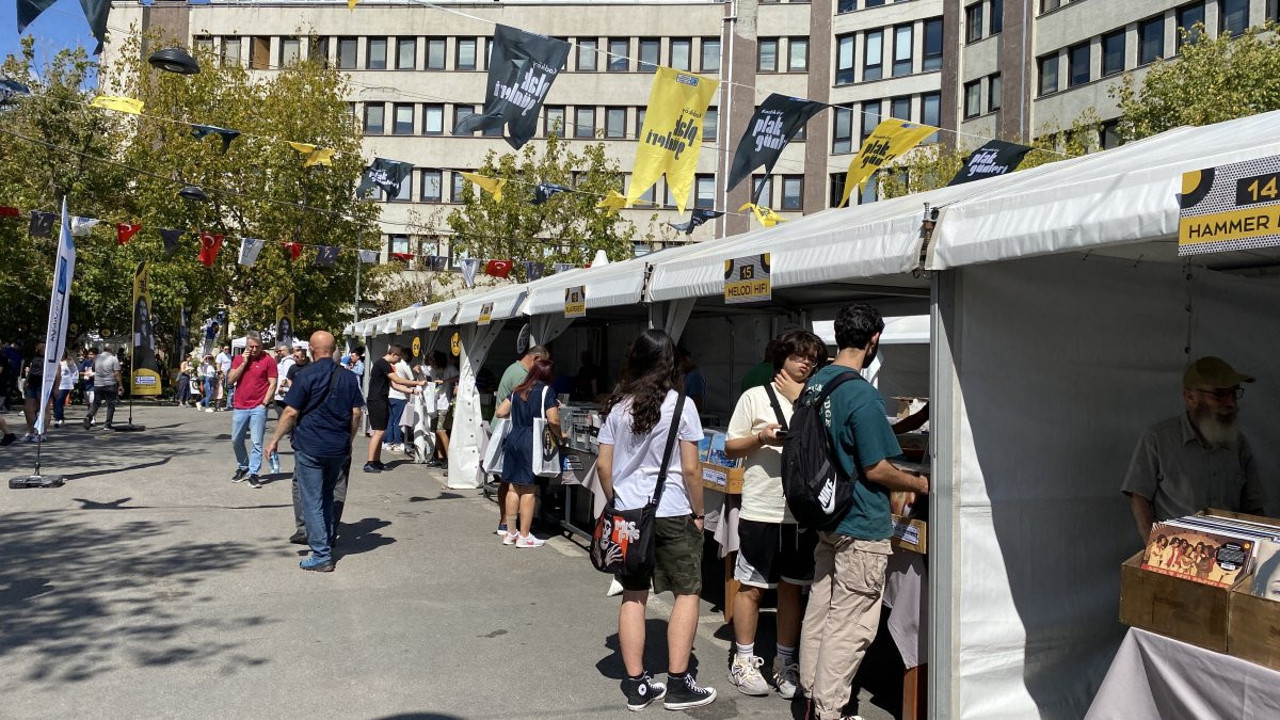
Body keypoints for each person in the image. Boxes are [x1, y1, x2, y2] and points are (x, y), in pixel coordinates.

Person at [797, 303, 929, 720]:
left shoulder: (817, 384)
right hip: (860, 523)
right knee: (850, 626)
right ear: (873, 341)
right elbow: (877, 467)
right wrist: (920, 483)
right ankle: (830, 709)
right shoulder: (861, 393)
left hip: (828, 519)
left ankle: (812, 697)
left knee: (821, 610)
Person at [596, 329, 716, 712]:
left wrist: (617, 500)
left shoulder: (617, 406)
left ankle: (636, 686)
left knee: (633, 595)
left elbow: (603, 465)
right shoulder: (681, 406)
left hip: (630, 514)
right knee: (687, 592)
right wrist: (699, 513)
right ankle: (679, 683)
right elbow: (692, 470)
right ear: (670, 363)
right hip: (674, 511)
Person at [723, 330, 827, 699]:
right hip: (762, 507)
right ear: (781, 358)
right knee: (751, 587)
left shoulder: (815, 399)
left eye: (811, 358)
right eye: (798, 355)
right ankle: (745, 660)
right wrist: (761, 438)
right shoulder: (755, 397)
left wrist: (803, 406)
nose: (805, 363)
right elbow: (731, 446)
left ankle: (786, 663)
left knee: (791, 589)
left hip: (800, 513)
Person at [1122, 356, 1264, 542]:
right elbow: (1139, 498)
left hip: (1229, 558)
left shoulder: (1238, 444)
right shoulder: (1159, 438)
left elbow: (1254, 508)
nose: (1230, 402)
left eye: (1234, 393)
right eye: (1219, 394)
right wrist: (1154, 548)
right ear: (1190, 396)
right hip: (1178, 558)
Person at [266, 330, 365, 572]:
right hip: (337, 446)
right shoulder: (349, 377)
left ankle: (321, 554)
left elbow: (290, 412)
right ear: (333, 350)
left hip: (311, 445)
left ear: (312, 348)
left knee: (312, 500)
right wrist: (349, 441)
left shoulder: (306, 375)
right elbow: (356, 413)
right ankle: (328, 538)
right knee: (328, 494)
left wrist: (274, 440)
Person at [493, 356, 558, 548]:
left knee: (513, 487)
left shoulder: (517, 390)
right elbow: (553, 420)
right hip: (532, 439)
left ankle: (510, 532)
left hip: (514, 437)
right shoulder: (547, 391)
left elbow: (500, 412)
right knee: (528, 489)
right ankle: (525, 535)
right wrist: (561, 434)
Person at [227, 332, 278, 489]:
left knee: (256, 441)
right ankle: (243, 466)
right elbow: (230, 380)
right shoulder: (238, 359)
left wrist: (264, 403)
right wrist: (244, 362)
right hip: (240, 405)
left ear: (262, 346)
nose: (255, 349)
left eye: (258, 346)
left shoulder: (268, 360)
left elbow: (273, 383)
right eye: (251, 346)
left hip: (258, 407)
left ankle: (254, 473)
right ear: (246, 346)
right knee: (236, 439)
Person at [364, 345, 422, 473]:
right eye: (399, 358)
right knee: (378, 432)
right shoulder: (383, 364)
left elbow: (395, 385)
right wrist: (417, 383)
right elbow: (398, 380)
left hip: (381, 399)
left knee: (381, 431)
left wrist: (412, 391)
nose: (399, 361)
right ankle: (369, 462)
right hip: (377, 400)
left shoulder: (384, 365)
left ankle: (376, 461)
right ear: (394, 354)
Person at [385, 349, 418, 454]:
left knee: (391, 419)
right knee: (398, 421)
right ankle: (398, 442)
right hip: (400, 395)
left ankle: (388, 441)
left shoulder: (391, 365)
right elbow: (412, 379)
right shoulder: (404, 365)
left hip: (390, 394)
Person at [84, 344, 122, 430]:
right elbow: (117, 373)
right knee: (111, 404)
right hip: (110, 384)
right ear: (111, 349)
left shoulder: (96, 357)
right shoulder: (113, 358)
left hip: (98, 384)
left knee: (96, 402)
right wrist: (120, 385)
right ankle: (107, 424)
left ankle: (89, 416)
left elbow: (93, 369)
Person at [676, 346, 706, 412]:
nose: (677, 367)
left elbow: (697, 405)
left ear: (685, 360)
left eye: (678, 363)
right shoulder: (690, 375)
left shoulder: (694, 376)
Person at [53, 350, 78, 428]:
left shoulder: (69, 362)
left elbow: (75, 372)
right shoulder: (54, 362)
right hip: (55, 384)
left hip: (65, 385)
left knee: (59, 400)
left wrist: (73, 383)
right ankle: (59, 416)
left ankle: (58, 418)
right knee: (55, 401)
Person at [273, 343, 296, 420]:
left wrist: (281, 387)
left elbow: (287, 376)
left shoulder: (288, 361)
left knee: (282, 414)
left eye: (280, 351)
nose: (278, 352)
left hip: (283, 392)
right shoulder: (283, 360)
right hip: (281, 391)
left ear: (286, 351)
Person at [215, 344, 234, 410]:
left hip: (229, 374)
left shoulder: (229, 355)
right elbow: (218, 364)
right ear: (222, 349)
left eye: (228, 349)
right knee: (220, 390)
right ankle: (218, 406)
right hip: (222, 374)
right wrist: (220, 373)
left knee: (230, 389)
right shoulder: (220, 355)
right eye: (225, 349)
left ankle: (229, 405)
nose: (227, 350)